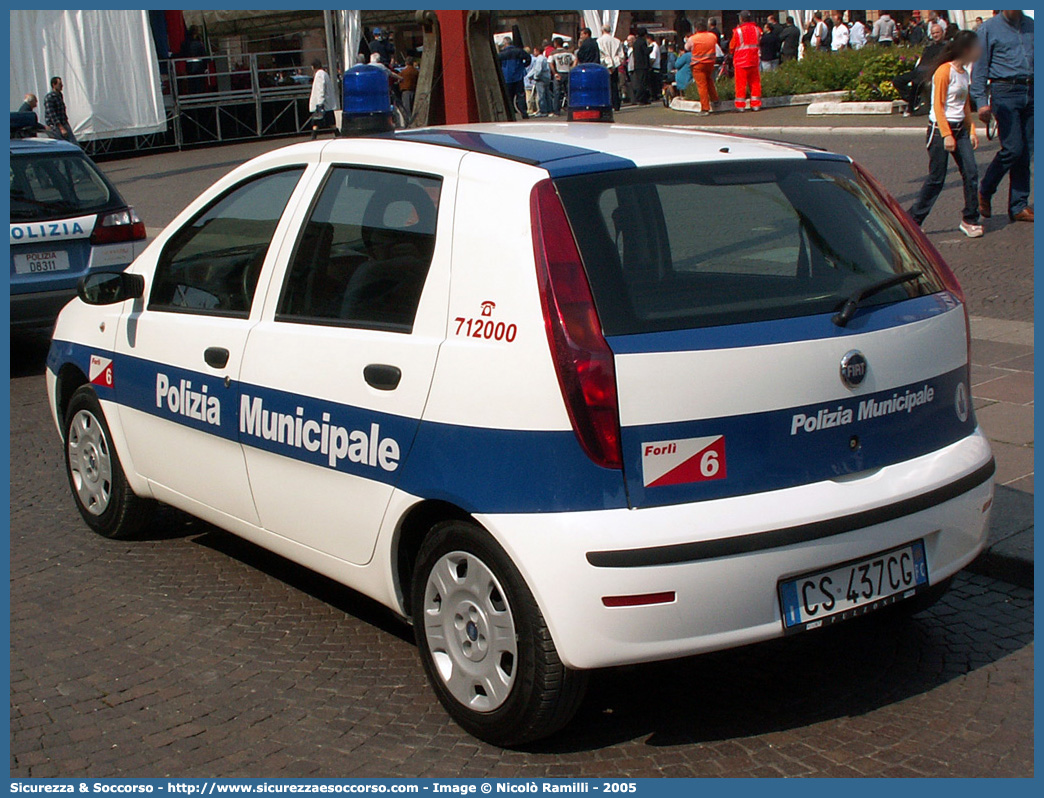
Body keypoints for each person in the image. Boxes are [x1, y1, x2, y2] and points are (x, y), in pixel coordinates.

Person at [908, 32, 984, 237]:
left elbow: (965, 104)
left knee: (971, 173)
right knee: (937, 178)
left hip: (960, 130)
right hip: (940, 130)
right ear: (966, 49)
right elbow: (938, 106)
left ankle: (970, 219)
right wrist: (946, 134)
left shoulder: (964, 72)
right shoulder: (944, 72)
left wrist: (972, 130)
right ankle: (913, 220)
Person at [971, 10, 1035, 222]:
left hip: (1032, 90)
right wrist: (981, 103)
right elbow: (979, 69)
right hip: (1005, 92)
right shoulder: (988, 29)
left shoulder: (1032, 25)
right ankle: (986, 189)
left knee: (1025, 151)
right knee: (1013, 148)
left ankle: (1018, 205)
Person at [730, 11, 762, 111]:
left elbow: (732, 46)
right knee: (755, 83)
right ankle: (756, 104)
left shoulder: (738, 31)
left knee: (740, 84)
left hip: (741, 61)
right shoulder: (757, 29)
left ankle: (740, 106)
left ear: (741, 19)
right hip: (753, 60)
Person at [686, 19, 719, 114]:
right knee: (709, 81)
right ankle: (715, 99)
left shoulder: (693, 38)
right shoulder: (712, 36)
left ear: (696, 28)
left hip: (698, 64)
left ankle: (705, 108)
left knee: (702, 85)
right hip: (710, 63)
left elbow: (686, 47)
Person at [498, 37, 531, 119]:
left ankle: (510, 113)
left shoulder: (501, 53)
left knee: (509, 96)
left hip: (507, 77)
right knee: (521, 95)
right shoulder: (519, 51)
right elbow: (528, 58)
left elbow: (498, 64)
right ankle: (524, 112)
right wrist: (523, 66)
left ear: (505, 44)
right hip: (518, 76)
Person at [597, 25, 625, 111]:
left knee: (605, 85)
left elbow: (600, 55)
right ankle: (616, 104)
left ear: (602, 30)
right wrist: (615, 63)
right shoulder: (617, 41)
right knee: (614, 85)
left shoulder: (599, 41)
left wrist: (607, 64)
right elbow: (622, 55)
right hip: (615, 64)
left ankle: (607, 103)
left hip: (604, 65)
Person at [43, 76, 76, 144]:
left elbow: (62, 111)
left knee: (72, 143)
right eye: (60, 84)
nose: (62, 86)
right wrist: (61, 128)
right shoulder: (50, 97)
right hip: (56, 126)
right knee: (61, 143)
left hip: (63, 122)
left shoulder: (59, 95)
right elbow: (52, 114)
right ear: (54, 85)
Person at [307, 60, 334, 140]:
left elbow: (320, 89)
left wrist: (320, 103)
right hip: (327, 104)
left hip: (322, 104)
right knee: (331, 121)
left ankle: (313, 137)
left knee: (316, 122)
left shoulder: (319, 74)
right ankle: (337, 134)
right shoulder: (324, 74)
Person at [549, 39, 575, 115]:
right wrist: (572, 67)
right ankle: (571, 109)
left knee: (557, 92)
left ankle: (556, 111)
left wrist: (554, 73)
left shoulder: (553, 53)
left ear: (556, 44)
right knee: (569, 92)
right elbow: (575, 59)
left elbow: (550, 63)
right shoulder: (568, 52)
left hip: (559, 73)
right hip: (567, 72)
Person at [526, 46, 553, 117]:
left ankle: (543, 111)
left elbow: (537, 70)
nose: (534, 53)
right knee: (547, 94)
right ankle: (549, 110)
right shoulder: (544, 58)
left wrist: (534, 77)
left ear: (537, 51)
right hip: (546, 78)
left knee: (541, 95)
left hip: (541, 79)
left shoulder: (539, 59)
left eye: (534, 51)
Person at [631, 28, 652, 105]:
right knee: (643, 82)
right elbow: (646, 51)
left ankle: (642, 98)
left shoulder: (636, 42)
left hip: (637, 64)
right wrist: (651, 48)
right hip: (643, 65)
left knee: (640, 81)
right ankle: (639, 98)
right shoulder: (642, 42)